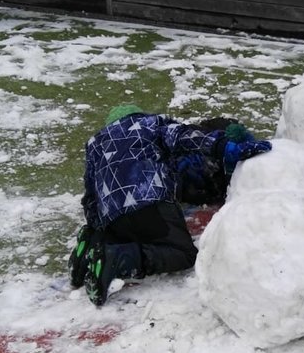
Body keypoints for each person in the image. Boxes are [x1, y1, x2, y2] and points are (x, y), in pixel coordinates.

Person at [68, 105, 271, 306]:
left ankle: (94, 244)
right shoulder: (151, 124)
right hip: (149, 198)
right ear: (137, 115)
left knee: (128, 236)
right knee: (183, 254)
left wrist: (96, 226)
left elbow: (91, 195)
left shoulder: (95, 144)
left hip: (112, 215)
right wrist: (223, 147)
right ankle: (120, 259)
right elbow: (186, 137)